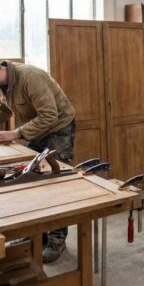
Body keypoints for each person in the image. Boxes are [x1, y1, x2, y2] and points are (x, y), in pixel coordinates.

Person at [0, 60, 76, 263]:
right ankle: (35, 233)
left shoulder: (30, 77)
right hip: (35, 130)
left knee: (55, 183)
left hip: (57, 128)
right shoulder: (4, 84)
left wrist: (15, 133)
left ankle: (56, 240)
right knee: (31, 179)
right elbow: (6, 111)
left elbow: (50, 115)